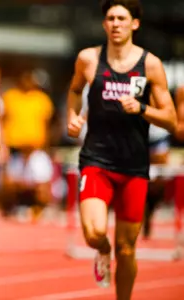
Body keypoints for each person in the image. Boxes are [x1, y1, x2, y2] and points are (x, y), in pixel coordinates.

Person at [66, 1, 177, 299]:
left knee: (127, 248)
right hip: (96, 160)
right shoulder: (88, 59)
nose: (115, 23)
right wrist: (72, 116)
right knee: (94, 232)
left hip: (133, 166)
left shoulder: (150, 64)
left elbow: (171, 120)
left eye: (121, 18)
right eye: (110, 18)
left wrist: (142, 108)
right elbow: (75, 90)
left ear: (135, 24)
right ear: (104, 24)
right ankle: (102, 250)